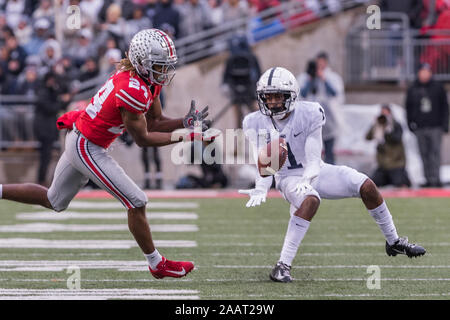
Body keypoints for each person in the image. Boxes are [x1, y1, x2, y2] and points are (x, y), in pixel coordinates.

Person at [0, 29, 212, 279]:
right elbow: (143, 139)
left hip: (81, 137)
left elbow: (155, 123)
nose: (164, 71)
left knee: (53, 200)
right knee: (137, 200)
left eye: (165, 66)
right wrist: (185, 137)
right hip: (86, 145)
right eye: (159, 65)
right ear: (143, 63)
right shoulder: (133, 89)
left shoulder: (144, 81)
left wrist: (183, 122)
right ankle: (157, 263)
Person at [239, 67, 426, 283]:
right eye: (268, 97)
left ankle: (394, 242)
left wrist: (309, 177)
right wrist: (262, 186)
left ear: (291, 96)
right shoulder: (253, 122)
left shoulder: (309, 113)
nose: (272, 103)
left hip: (315, 169)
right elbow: (265, 164)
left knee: (366, 185)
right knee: (311, 200)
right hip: (287, 177)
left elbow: (313, 155)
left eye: (278, 96)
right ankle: (282, 265)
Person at [405, 63, 449, 187]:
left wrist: (445, 124)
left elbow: (445, 107)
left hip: (435, 126)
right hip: (420, 127)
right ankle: (428, 179)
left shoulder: (438, 88)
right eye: (422, 72)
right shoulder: (413, 88)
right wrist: (410, 123)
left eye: (427, 72)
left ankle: (436, 179)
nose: (424, 74)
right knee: (423, 153)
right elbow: (408, 107)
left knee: (435, 153)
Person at [297, 52, 344, 164]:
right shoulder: (306, 77)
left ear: (326, 63)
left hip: (328, 120)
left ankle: (331, 173)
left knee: (329, 151)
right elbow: (302, 93)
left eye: (322, 63)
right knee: (311, 151)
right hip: (310, 121)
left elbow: (335, 93)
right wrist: (310, 79)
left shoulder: (332, 77)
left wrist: (324, 79)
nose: (319, 66)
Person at [365, 104, 411, 188]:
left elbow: (396, 138)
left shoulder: (396, 125)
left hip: (395, 163)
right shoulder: (378, 126)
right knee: (374, 182)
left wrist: (388, 130)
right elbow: (367, 137)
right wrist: (375, 126)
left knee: (399, 183)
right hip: (383, 165)